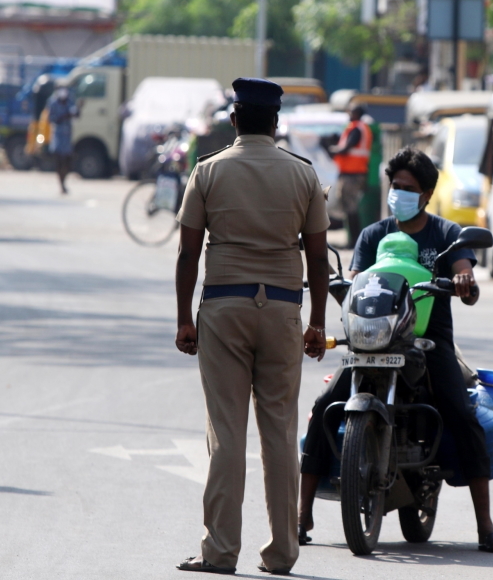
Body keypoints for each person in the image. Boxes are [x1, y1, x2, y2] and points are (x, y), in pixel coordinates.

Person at [298, 147, 493, 554]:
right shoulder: (373, 235)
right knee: (324, 404)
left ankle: (486, 526)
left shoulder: (446, 234)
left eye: (409, 188)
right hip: (372, 341)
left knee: (462, 414)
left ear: (428, 194)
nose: (399, 194)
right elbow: (359, 282)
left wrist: (463, 278)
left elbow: (464, 266)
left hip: (429, 342)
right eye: (395, 187)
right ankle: (301, 514)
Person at [174, 78, 330, 576]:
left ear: (235, 120)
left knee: (226, 432)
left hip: (223, 308)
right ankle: (282, 552)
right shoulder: (303, 176)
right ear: (277, 123)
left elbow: (187, 252)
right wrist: (319, 322)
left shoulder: (209, 171)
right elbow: (319, 256)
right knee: (281, 433)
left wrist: (183, 318)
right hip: (284, 309)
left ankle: (220, 552)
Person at [331, 104, 372, 247]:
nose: (349, 113)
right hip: (353, 172)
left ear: (357, 113)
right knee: (350, 207)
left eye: (351, 111)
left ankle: (354, 241)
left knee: (351, 208)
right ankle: (353, 240)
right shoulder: (357, 127)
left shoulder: (356, 128)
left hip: (353, 174)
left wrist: (332, 150)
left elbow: (347, 148)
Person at [48, 85, 80, 194]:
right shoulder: (53, 102)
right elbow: (51, 119)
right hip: (57, 135)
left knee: (67, 161)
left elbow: (76, 114)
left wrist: (79, 109)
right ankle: (61, 185)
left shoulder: (70, 101)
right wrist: (65, 116)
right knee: (58, 161)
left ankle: (64, 182)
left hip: (67, 135)